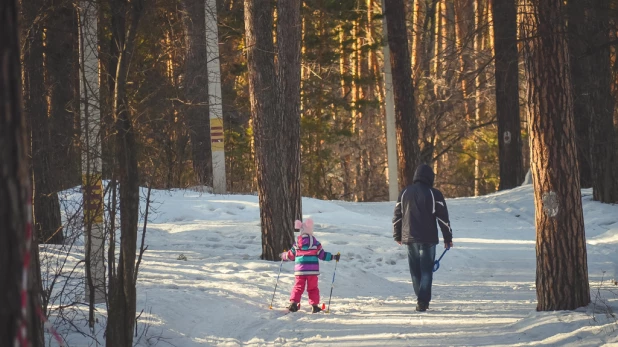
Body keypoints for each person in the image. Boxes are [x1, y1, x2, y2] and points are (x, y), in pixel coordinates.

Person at [393, 164, 453, 312]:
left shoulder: (404, 192)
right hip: (428, 238)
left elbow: (397, 216)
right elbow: (443, 219)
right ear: (430, 177)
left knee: (415, 270)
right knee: (426, 270)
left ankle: (421, 298)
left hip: (409, 238)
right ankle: (422, 301)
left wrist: (397, 234)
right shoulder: (434, 194)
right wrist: (448, 237)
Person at [281, 218, 340, 313]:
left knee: (298, 287)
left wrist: (284, 256)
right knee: (313, 288)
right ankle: (314, 306)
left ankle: (293, 304)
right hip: (312, 271)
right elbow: (322, 255)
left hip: (300, 271)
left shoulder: (297, 244)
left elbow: (291, 256)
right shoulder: (315, 243)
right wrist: (333, 257)